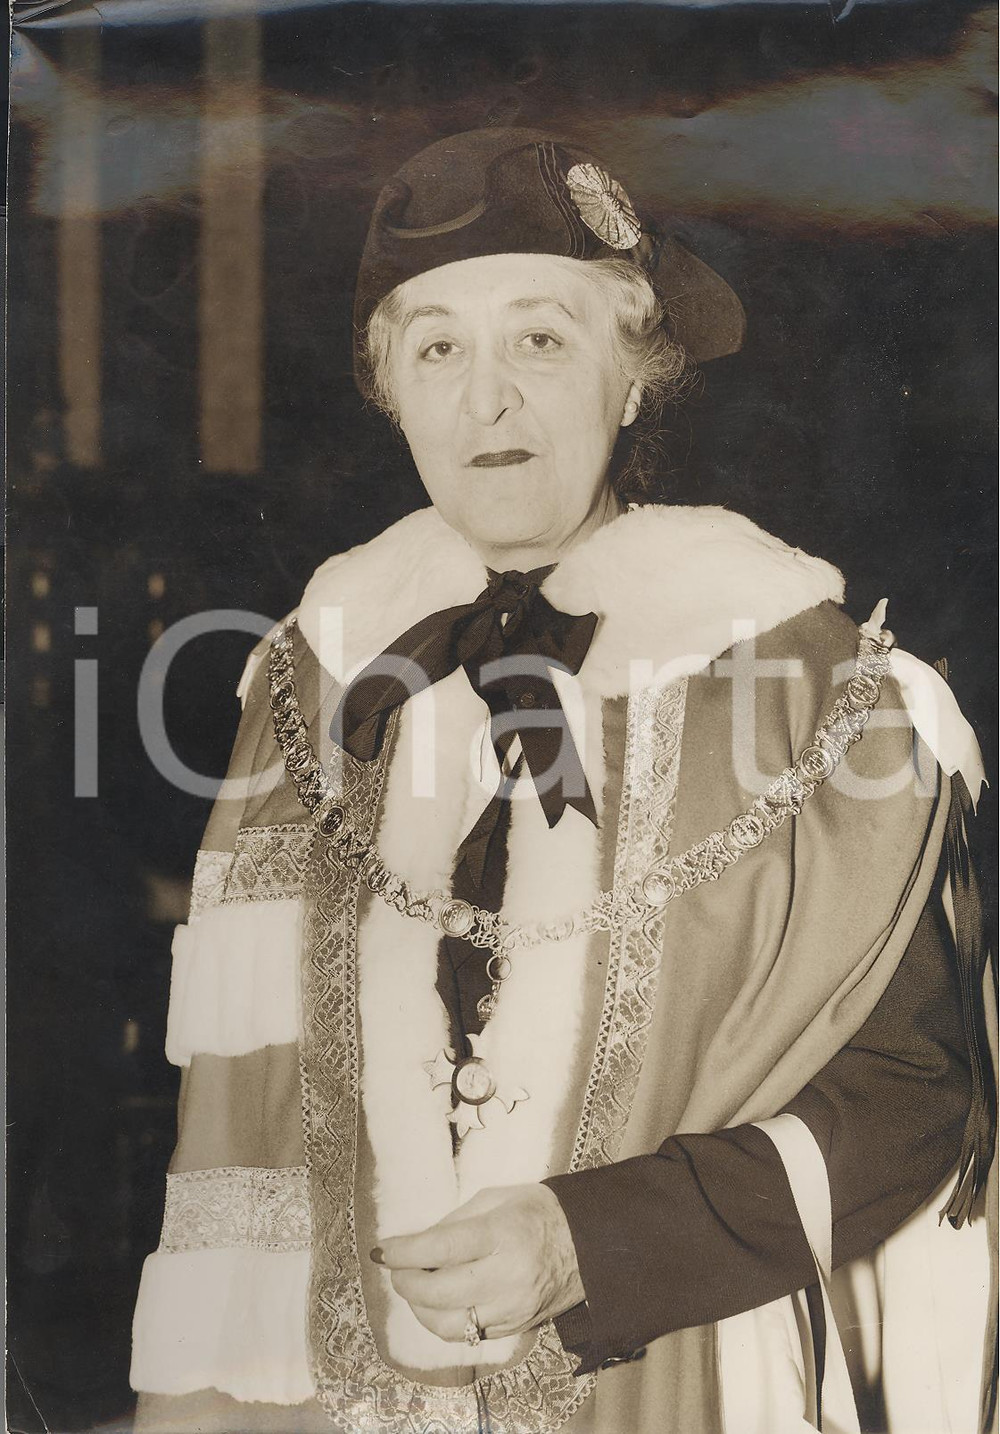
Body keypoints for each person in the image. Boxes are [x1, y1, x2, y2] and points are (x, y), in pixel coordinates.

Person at [130, 128, 994, 1434]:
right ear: (394, 392)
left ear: (635, 375)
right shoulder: (310, 688)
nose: (488, 402)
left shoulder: (809, 683)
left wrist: (596, 1238)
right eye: (438, 349)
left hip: (677, 1379)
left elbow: (918, 1091)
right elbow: (236, 1147)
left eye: (541, 339)